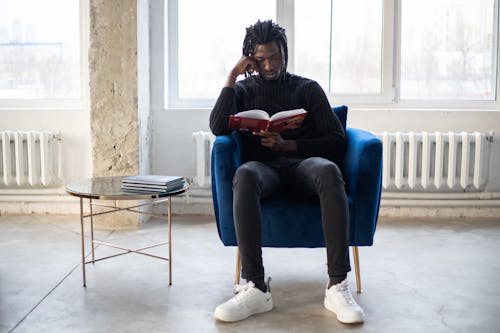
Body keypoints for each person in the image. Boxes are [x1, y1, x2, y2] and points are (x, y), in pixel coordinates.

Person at [209, 19, 364, 324]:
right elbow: (217, 127)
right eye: (261, 59)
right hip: (264, 172)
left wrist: (287, 145)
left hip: (303, 167)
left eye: (275, 58)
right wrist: (231, 76)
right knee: (245, 175)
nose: (269, 66)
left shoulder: (307, 89)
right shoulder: (242, 91)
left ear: (285, 53)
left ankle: (337, 285)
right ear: (251, 60)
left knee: (330, 171)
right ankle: (255, 286)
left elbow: (337, 140)